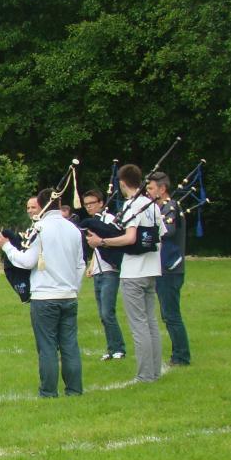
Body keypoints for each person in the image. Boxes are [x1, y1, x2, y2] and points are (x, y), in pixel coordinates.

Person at [0, 189, 85, 398]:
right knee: (70, 345)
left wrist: (7, 247)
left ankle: (48, 391)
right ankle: (74, 389)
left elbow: (27, 262)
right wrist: (74, 287)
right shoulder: (73, 229)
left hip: (44, 296)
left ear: (41, 205)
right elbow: (80, 264)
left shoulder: (40, 228)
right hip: (69, 294)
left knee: (47, 347)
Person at [86, 164, 167, 383]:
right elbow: (160, 235)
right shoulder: (152, 205)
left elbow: (130, 238)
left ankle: (144, 375)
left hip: (134, 272)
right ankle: (155, 371)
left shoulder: (133, 206)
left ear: (122, 183)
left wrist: (102, 241)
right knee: (150, 322)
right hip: (152, 269)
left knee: (139, 325)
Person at [147, 171, 191, 366]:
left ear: (162, 189)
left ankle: (181, 356)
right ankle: (178, 354)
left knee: (171, 315)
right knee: (168, 314)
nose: (147, 192)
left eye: (150, 188)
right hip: (164, 268)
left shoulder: (169, 207)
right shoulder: (162, 208)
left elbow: (168, 231)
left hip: (170, 268)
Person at [82, 189, 127, 361]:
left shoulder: (108, 220)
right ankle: (112, 348)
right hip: (99, 271)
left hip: (110, 270)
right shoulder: (94, 222)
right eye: (86, 204)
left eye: (92, 203)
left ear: (101, 203)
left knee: (108, 312)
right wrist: (92, 265)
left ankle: (119, 348)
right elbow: (97, 248)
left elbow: (110, 241)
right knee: (102, 314)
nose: (89, 207)